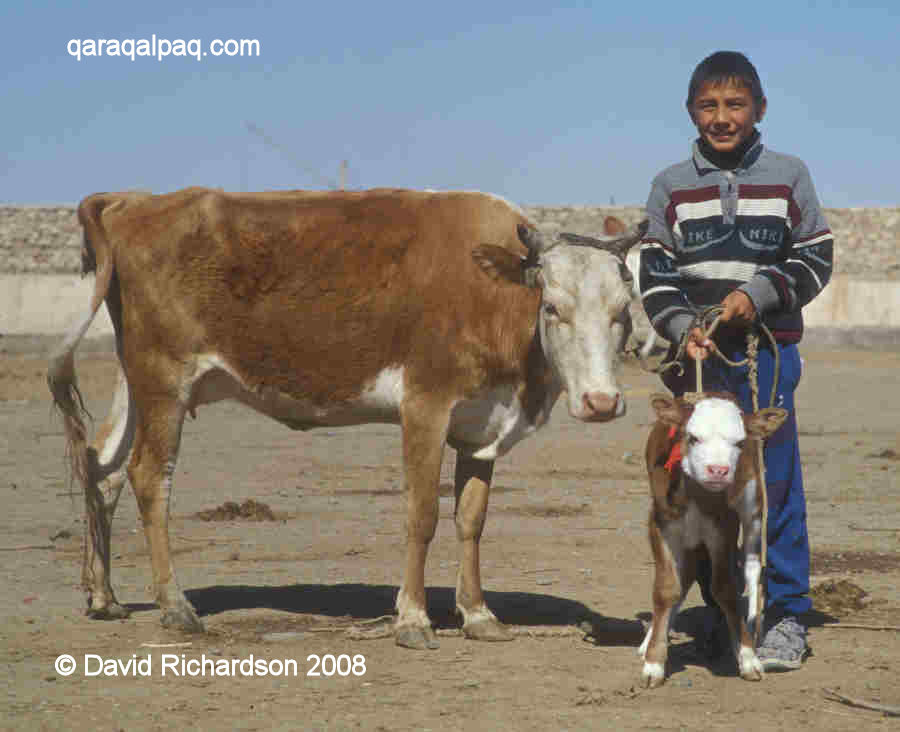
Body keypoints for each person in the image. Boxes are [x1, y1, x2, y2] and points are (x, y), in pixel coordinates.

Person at [637, 50, 834, 672]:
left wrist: (758, 294)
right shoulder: (671, 185)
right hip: (695, 363)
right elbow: (654, 268)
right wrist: (679, 327)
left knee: (767, 485)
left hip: (766, 357)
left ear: (759, 109)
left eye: (734, 105)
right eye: (708, 106)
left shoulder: (788, 176)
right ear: (692, 111)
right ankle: (721, 618)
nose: (722, 118)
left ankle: (782, 616)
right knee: (693, 489)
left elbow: (815, 256)